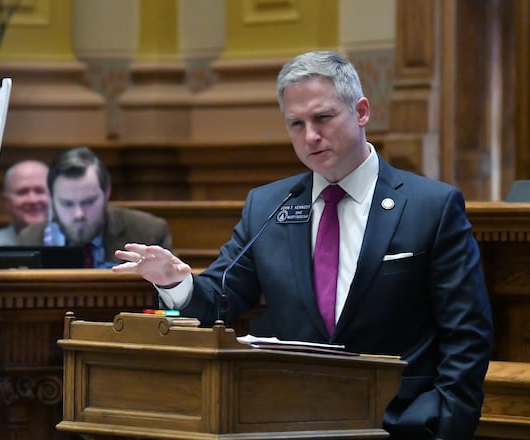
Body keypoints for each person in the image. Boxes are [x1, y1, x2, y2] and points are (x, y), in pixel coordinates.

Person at [112, 51, 493, 439]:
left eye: (323, 118)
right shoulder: (268, 207)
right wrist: (176, 282)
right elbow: (220, 301)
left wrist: (445, 428)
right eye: (296, 123)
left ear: (361, 112)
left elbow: (467, 335)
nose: (310, 135)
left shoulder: (431, 206)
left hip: (402, 423)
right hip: (293, 422)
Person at [18, 146, 172, 268]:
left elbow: (172, 297)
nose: (79, 213)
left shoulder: (148, 233)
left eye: (89, 202)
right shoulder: (32, 238)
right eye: (67, 203)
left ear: (107, 192)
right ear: (51, 198)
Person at [0, 160, 50, 246]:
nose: (32, 200)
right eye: (22, 192)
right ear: (7, 201)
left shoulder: (72, 243)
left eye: (40, 191)